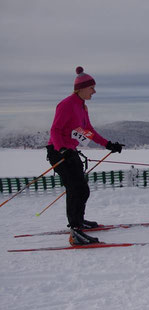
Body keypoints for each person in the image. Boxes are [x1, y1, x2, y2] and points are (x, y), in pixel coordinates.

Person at [46, 66, 123, 245]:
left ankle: (78, 223)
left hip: (69, 152)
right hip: (59, 153)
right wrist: (60, 149)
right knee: (76, 189)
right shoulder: (66, 104)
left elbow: (88, 131)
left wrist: (108, 144)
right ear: (80, 88)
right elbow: (55, 130)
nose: (94, 91)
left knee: (82, 189)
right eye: (91, 88)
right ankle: (75, 231)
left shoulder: (82, 107)